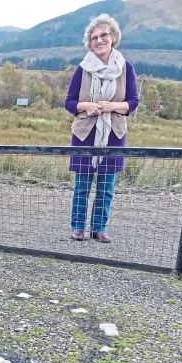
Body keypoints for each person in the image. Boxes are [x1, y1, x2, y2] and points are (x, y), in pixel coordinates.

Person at [65, 13, 139, 243]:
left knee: (106, 187)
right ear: (90, 42)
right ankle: (78, 227)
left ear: (113, 37)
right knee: (83, 185)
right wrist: (86, 106)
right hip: (85, 134)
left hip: (114, 135)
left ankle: (99, 228)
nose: (99, 40)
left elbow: (133, 102)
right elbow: (69, 102)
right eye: (94, 37)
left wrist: (111, 106)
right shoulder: (82, 69)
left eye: (104, 35)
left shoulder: (126, 68)